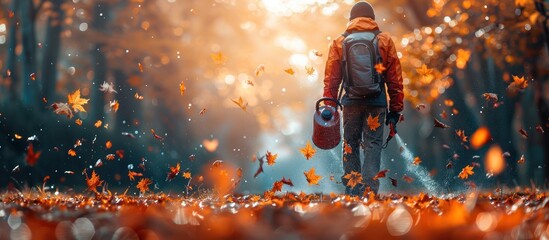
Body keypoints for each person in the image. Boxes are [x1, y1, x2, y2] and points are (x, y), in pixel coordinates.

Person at [322, 1, 404, 195]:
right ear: (372, 19)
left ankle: (352, 189)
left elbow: (331, 79)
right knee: (373, 144)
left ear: (351, 19)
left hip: (350, 102)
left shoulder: (339, 42)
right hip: (377, 102)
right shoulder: (384, 40)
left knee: (350, 143)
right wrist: (396, 109)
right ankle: (369, 189)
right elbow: (395, 79)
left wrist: (329, 105)